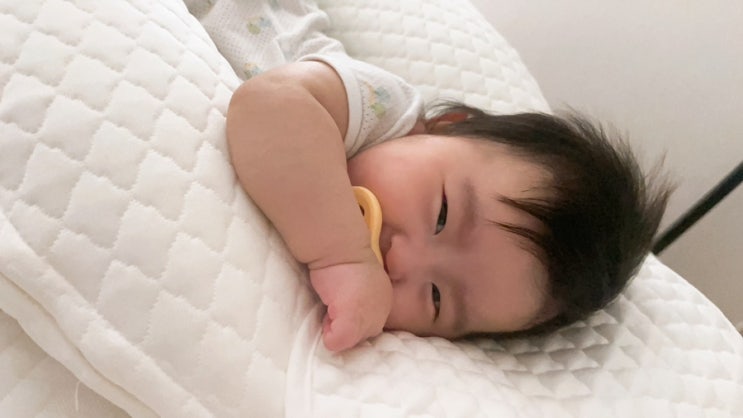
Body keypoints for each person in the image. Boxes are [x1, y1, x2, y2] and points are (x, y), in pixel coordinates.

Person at [194, 0, 672, 351]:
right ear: (444, 126)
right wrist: (343, 257)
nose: (403, 260)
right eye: (442, 215)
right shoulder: (381, 108)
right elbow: (268, 106)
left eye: (437, 298)